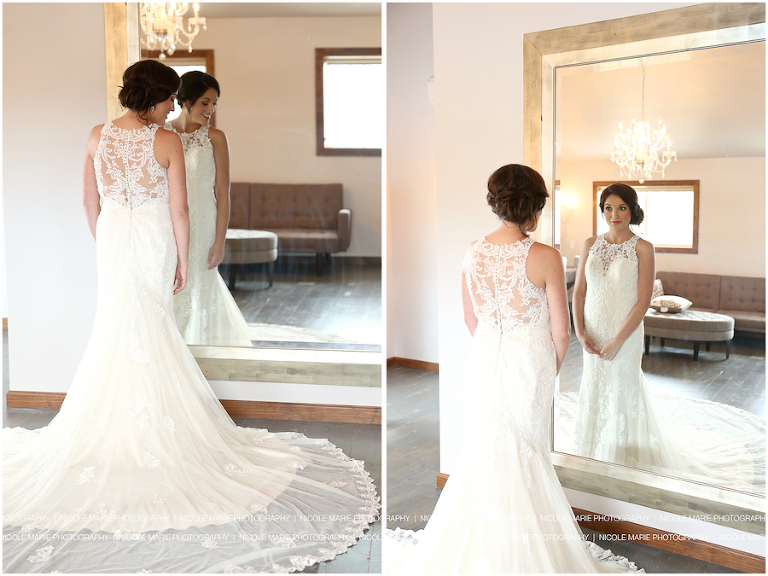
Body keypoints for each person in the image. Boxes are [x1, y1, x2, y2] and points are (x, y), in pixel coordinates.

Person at [3, 60, 377, 573]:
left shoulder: (96, 135)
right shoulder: (166, 141)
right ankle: (154, 427)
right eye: (168, 100)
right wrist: (182, 258)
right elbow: (180, 211)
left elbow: (88, 200)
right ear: (158, 100)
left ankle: (115, 425)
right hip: (155, 238)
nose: (169, 109)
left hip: (113, 241)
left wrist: (105, 240)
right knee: (150, 323)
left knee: (117, 325)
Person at [385, 165, 641, 573]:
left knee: (489, 442)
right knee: (526, 449)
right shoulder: (544, 256)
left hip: (487, 354)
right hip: (530, 360)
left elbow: (471, 320)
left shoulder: (473, 250)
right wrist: (547, 372)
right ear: (535, 207)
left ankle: (483, 541)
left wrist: (496, 352)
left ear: (497, 203)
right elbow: (561, 332)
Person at [569, 183, 763, 491]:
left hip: (625, 332)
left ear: (632, 209)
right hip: (592, 331)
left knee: (623, 386)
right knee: (595, 386)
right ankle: (592, 453)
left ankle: (625, 456)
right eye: (608, 208)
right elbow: (579, 291)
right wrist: (579, 332)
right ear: (601, 210)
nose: (614, 214)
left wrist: (619, 339)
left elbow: (644, 300)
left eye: (621, 207)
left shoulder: (642, 247)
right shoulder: (590, 243)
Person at [166, 71, 253, 347]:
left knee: (201, 287)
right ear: (185, 101)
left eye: (214, 104)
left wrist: (219, 240)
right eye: (205, 103)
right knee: (172, 287)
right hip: (169, 224)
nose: (211, 111)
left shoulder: (215, 138)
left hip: (204, 225)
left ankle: (203, 352)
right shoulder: (161, 134)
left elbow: (222, 194)